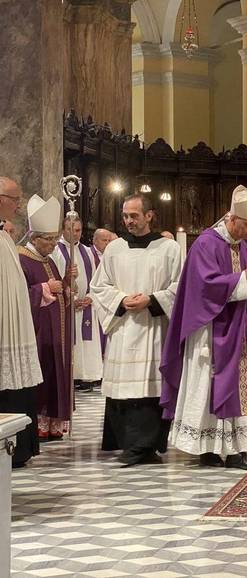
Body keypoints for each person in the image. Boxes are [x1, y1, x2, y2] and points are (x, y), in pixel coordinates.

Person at [160, 185, 247, 470]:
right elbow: (205, 288)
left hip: (235, 328)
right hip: (209, 332)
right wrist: (245, 278)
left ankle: (235, 450)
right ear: (231, 219)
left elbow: (245, 286)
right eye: (246, 225)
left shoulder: (240, 247)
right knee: (208, 384)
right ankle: (206, 448)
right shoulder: (205, 245)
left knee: (234, 384)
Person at [90, 194, 181, 466]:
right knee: (123, 390)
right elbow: (99, 286)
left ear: (149, 215)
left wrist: (152, 300)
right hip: (124, 328)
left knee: (150, 389)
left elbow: (180, 287)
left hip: (154, 328)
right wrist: (120, 299)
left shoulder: (169, 249)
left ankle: (146, 446)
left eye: (134, 215)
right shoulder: (114, 249)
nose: (128, 221)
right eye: (125, 216)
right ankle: (128, 444)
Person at [17, 195, 73, 442]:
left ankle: (53, 424)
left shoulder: (47, 259)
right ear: (33, 237)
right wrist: (44, 288)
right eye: (48, 239)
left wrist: (67, 285)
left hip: (56, 331)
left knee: (55, 372)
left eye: (54, 239)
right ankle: (40, 423)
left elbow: (60, 291)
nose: (53, 244)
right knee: (44, 373)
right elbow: (17, 297)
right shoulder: (20, 258)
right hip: (37, 331)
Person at [0, 178, 43, 467]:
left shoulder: (5, 234)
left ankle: (20, 448)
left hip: (14, 325)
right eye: (15, 199)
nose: (19, 205)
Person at [51, 217, 102, 392]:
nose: (75, 233)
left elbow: (96, 278)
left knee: (86, 341)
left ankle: (86, 376)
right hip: (67, 305)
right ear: (63, 229)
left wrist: (90, 296)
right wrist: (71, 300)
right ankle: (70, 377)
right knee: (72, 340)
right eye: (71, 229)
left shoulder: (87, 251)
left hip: (86, 304)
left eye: (78, 230)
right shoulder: (56, 250)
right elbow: (54, 278)